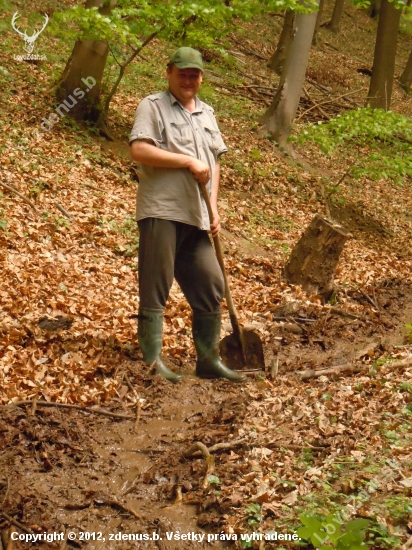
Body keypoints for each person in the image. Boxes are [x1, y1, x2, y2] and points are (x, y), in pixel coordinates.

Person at [129, 47, 244, 383]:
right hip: (162, 210)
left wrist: (215, 205)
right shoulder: (153, 106)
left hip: (198, 216)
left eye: (194, 75)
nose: (188, 80)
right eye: (182, 73)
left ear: (201, 78)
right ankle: (152, 362)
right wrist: (186, 161)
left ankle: (208, 361)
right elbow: (139, 148)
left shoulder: (207, 114)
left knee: (211, 283)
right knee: (156, 286)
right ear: (169, 73)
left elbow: (214, 163)